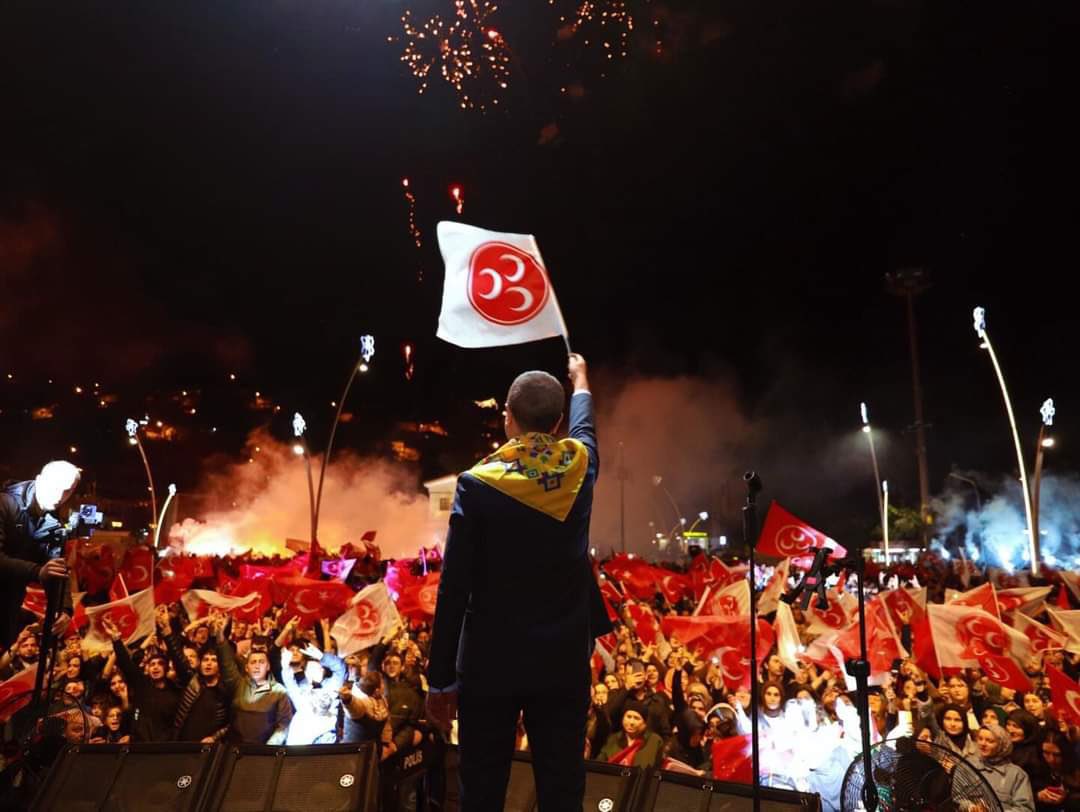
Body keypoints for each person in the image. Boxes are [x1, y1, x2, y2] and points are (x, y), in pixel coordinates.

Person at [426, 353, 612, 811]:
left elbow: (454, 588)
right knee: (562, 792)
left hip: (489, 665)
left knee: (482, 792)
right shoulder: (578, 467)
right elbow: (586, 428)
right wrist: (581, 381)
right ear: (558, 423)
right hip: (561, 663)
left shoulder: (476, 484)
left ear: (506, 417)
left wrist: (440, 678)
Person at [0, 461, 79, 647]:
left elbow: (57, 568)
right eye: (56, 486)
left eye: (67, 491)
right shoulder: (5, 504)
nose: (60, 495)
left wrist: (64, 609)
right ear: (39, 479)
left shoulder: (52, 525)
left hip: (9, 607)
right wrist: (37, 571)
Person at [217, 630, 292, 744]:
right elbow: (226, 663)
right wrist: (220, 634)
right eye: (253, 662)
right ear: (247, 668)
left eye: (261, 662)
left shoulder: (279, 691)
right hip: (236, 746)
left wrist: (270, 745)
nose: (257, 666)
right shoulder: (238, 684)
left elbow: (284, 724)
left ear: (268, 666)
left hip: (264, 748)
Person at [279, 642, 345, 745]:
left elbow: (341, 669)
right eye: (312, 669)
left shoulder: (331, 686)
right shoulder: (301, 692)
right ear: (305, 673)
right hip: (301, 742)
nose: (317, 671)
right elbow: (289, 681)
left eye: (319, 668)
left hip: (325, 739)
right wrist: (285, 666)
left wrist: (322, 657)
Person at [968, 723, 1035, 812]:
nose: (983, 744)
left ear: (1001, 745)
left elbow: (1025, 809)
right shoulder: (968, 765)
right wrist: (971, 807)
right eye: (980, 739)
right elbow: (957, 798)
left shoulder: (1017, 774)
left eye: (990, 741)